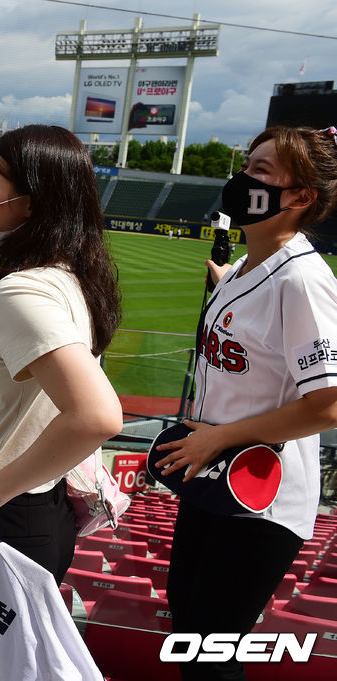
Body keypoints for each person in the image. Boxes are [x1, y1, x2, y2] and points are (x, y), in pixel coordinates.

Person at [154, 125, 337, 681]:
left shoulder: (302, 281)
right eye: (246, 165)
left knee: (210, 654)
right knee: (188, 629)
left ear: (300, 197)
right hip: (214, 474)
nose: (243, 179)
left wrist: (220, 435)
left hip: (262, 494)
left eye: (261, 171)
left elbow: (329, 405)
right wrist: (227, 282)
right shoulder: (244, 268)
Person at [0, 125, 123, 585]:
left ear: (30, 202)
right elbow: (36, 385)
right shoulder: (69, 277)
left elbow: (98, 416)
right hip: (36, 507)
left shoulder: (22, 290)